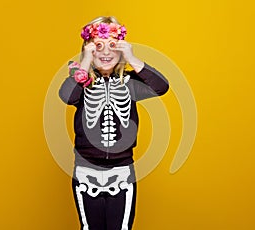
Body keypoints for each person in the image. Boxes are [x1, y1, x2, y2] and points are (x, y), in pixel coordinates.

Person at [59, 16, 169, 230]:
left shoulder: (130, 84)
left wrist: (132, 58)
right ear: (89, 49)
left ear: (121, 51)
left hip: (121, 172)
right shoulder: (82, 84)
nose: (106, 52)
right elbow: (66, 96)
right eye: (99, 46)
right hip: (85, 170)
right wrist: (85, 63)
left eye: (113, 45)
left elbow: (161, 86)